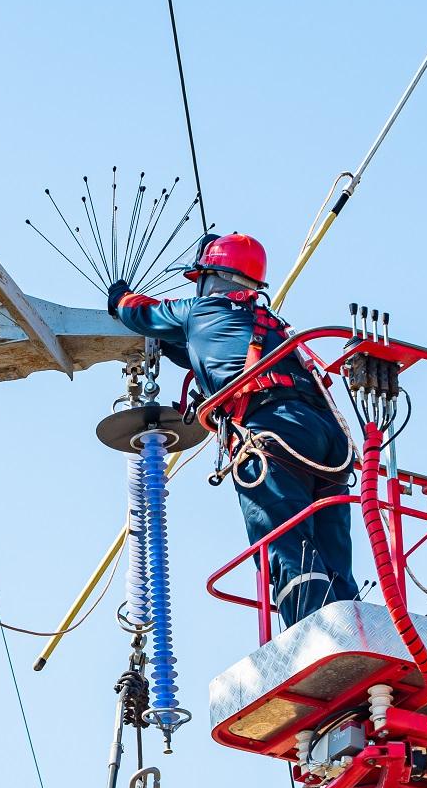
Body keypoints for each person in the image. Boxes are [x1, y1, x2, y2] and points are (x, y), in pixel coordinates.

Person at [108, 233, 357, 627]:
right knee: (332, 546)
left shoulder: (199, 310)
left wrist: (119, 297)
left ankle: (311, 635)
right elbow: (195, 350)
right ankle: (351, 626)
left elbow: (141, 313)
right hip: (327, 439)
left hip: (273, 433)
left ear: (212, 278)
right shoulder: (270, 324)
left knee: (286, 542)